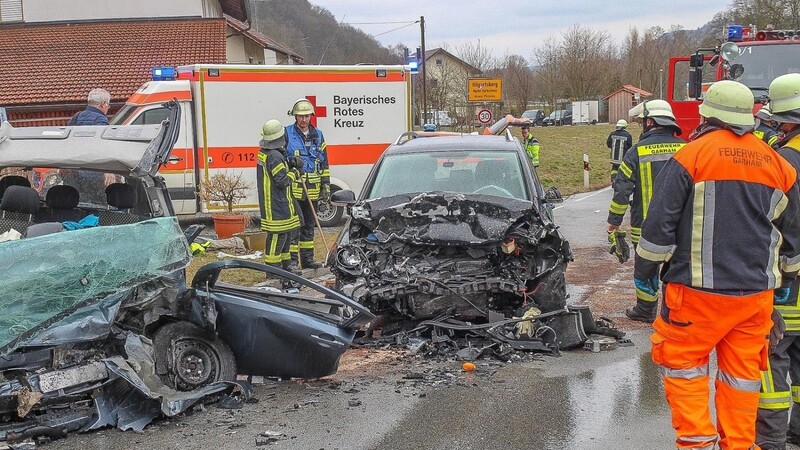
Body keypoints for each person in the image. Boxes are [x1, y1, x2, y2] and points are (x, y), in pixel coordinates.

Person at [635, 80, 800, 450]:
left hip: (696, 294)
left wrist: (644, 274)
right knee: (742, 378)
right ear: (751, 118)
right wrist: (787, 277)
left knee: (686, 369)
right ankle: (739, 445)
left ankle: (697, 443)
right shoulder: (776, 162)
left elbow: (658, 228)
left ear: (708, 113)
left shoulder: (691, 157)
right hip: (755, 297)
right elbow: (791, 233)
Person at [606, 100, 685, 323]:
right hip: (682, 225)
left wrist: (614, 221)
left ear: (650, 122)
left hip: (646, 225)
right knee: (678, 269)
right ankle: (673, 313)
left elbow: (622, 190)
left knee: (645, 269)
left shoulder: (635, 152)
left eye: (642, 122)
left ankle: (646, 310)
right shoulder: (687, 148)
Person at [757, 73, 800, 450]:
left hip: (790, 280)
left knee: (773, 352)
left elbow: (775, 220)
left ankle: (770, 439)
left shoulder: (784, 159)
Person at [285, 98, 330, 270]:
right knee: (296, 226)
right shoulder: (287, 133)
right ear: (295, 116)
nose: (303, 120)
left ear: (311, 116)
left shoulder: (318, 135)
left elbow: (324, 162)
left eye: (306, 116)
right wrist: (291, 160)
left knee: (309, 226)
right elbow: (280, 156)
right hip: (295, 189)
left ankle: (308, 259)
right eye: (300, 116)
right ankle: (293, 262)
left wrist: (326, 184)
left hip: (313, 189)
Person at [256, 119, 301, 284]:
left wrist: (289, 162)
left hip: (276, 203)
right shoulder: (274, 156)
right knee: (278, 236)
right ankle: (273, 270)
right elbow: (282, 181)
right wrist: (295, 172)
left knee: (286, 235)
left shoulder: (267, 153)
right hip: (276, 204)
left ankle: (285, 266)